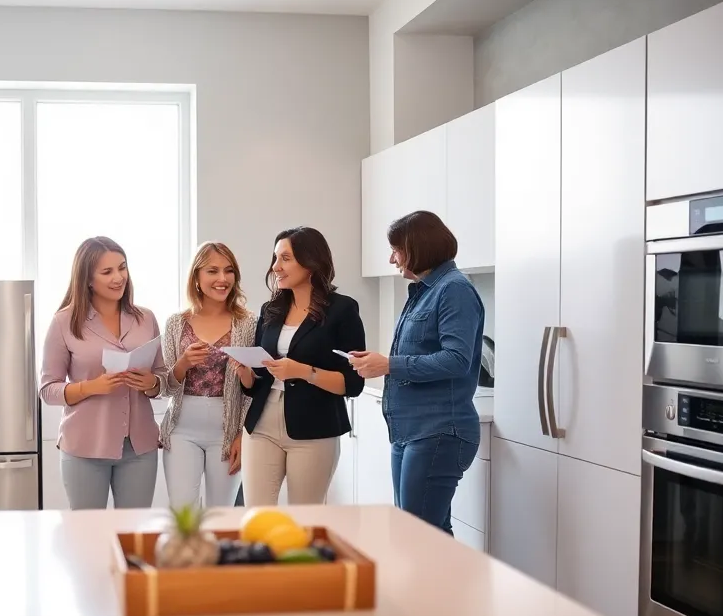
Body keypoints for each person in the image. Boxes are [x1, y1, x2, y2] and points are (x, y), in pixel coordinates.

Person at [350, 210, 484, 535]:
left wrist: (388, 364)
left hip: (438, 431)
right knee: (429, 534)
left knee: (416, 535)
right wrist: (383, 362)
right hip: (411, 431)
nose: (392, 259)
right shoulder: (424, 291)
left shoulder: (454, 290)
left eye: (396, 249)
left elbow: (456, 359)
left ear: (417, 248)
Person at [235, 227, 366, 505]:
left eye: (285, 258)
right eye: (275, 258)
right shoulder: (270, 310)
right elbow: (259, 381)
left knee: (305, 517)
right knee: (257, 515)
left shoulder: (342, 310)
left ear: (310, 263)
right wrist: (246, 375)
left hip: (314, 427)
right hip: (262, 424)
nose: (275, 267)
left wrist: (304, 372)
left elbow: (353, 383)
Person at [40, 237, 167, 510]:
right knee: (87, 531)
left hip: (139, 447)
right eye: (107, 272)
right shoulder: (64, 322)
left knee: (133, 530)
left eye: (122, 268)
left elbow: (162, 378)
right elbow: (48, 390)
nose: (118, 277)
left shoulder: (146, 318)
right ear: (87, 279)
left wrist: (152, 383)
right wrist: (91, 387)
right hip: (85, 446)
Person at [159, 242, 258, 508]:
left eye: (229, 270)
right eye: (212, 271)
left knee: (221, 515)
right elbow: (165, 388)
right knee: (183, 513)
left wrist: (243, 435)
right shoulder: (176, 323)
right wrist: (183, 363)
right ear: (197, 276)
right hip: (181, 430)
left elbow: (255, 389)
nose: (222, 279)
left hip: (227, 433)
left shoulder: (248, 323)